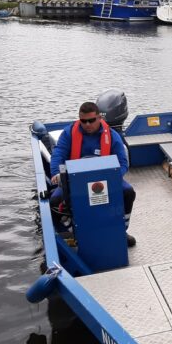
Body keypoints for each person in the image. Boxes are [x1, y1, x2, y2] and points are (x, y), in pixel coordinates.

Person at [50, 101, 136, 247]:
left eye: (91, 120)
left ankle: (121, 229)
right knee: (54, 202)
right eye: (83, 121)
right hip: (75, 181)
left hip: (105, 181)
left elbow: (123, 163)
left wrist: (113, 177)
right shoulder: (68, 134)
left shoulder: (113, 136)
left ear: (99, 118)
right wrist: (56, 173)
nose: (88, 124)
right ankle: (74, 231)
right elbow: (58, 154)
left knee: (128, 193)